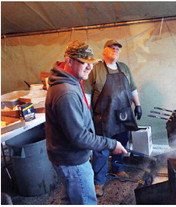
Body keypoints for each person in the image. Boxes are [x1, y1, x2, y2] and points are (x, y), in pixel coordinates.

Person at [45, 40, 127, 205]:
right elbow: (79, 138)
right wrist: (111, 144)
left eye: (91, 62)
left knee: (73, 197)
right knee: (85, 201)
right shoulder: (66, 92)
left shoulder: (70, 81)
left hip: (67, 157)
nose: (90, 67)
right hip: (72, 160)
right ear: (69, 61)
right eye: (85, 63)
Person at [83, 40, 142, 197]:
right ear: (104, 51)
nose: (115, 50)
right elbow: (87, 94)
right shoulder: (96, 69)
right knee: (101, 149)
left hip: (123, 115)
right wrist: (86, 116)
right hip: (103, 117)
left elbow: (133, 88)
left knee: (120, 144)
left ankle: (118, 169)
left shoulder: (124, 68)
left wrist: (138, 105)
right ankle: (98, 181)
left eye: (117, 49)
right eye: (112, 48)